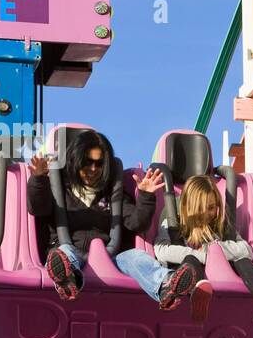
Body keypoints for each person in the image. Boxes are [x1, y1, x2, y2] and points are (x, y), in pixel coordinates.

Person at [27, 128, 172, 300]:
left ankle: (166, 285)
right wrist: (39, 180)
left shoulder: (112, 194)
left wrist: (146, 196)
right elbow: (38, 208)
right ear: (76, 161)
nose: (94, 168)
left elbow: (136, 223)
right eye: (88, 162)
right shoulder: (60, 189)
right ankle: (67, 279)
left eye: (99, 163)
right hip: (69, 252)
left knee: (135, 256)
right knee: (64, 252)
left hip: (108, 257)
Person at [142, 173, 253, 324]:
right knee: (190, 260)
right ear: (188, 206)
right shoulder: (174, 224)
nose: (206, 213)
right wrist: (201, 255)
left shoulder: (219, 228)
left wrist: (214, 251)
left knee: (243, 260)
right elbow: (161, 250)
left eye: (211, 207)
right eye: (200, 208)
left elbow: (247, 250)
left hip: (222, 271)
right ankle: (198, 293)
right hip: (193, 274)